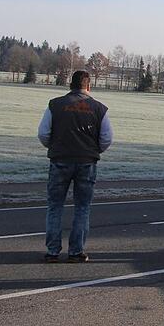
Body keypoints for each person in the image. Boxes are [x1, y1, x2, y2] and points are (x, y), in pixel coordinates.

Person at [37, 70, 113, 263]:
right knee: (82, 208)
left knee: (55, 206)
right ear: (88, 86)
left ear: (71, 85)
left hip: (60, 159)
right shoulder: (99, 109)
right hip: (86, 162)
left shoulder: (55, 105)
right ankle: (76, 251)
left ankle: (52, 251)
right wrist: (93, 149)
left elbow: (43, 133)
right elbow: (106, 138)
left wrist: (55, 147)